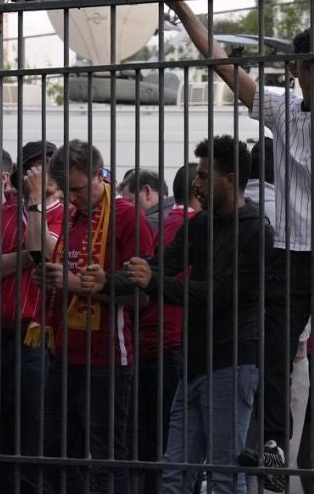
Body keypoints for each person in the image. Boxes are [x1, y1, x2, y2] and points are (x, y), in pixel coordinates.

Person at [155, 0, 314, 492]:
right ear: (292, 73)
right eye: (306, 66)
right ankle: (273, 444)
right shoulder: (280, 110)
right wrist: (182, 8)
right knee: (273, 349)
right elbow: (222, 64)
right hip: (293, 251)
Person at [83, 135, 269, 494]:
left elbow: (220, 293)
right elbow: (160, 266)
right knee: (174, 474)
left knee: (224, 476)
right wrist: (109, 280)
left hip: (232, 362)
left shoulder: (255, 230)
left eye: (203, 175)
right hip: (194, 364)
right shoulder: (200, 225)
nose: (195, 183)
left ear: (230, 178)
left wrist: (153, 281)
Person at [35, 140, 154, 493]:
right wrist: (52, 280)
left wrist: (75, 284)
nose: (72, 198)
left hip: (108, 361)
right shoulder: (73, 217)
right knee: (61, 455)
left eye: (78, 188)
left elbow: (143, 295)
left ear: (99, 175)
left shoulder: (127, 217)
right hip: (64, 356)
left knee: (106, 458)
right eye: (66, 190)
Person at [0, 141, 64, 494]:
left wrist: (23, 253)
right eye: (36, 167)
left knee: (34, 432)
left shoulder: (67, 214)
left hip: (39, 336)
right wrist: (26, 255)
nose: (45, 173)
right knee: (1, 432)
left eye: (51, 166)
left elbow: (47, 251)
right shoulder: (4, 215)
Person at [135, 162, 201, 494]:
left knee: (149, 440)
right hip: (180, 340)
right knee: (179, 442)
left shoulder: (152, 223)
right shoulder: (198, 228)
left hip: (146, 340)